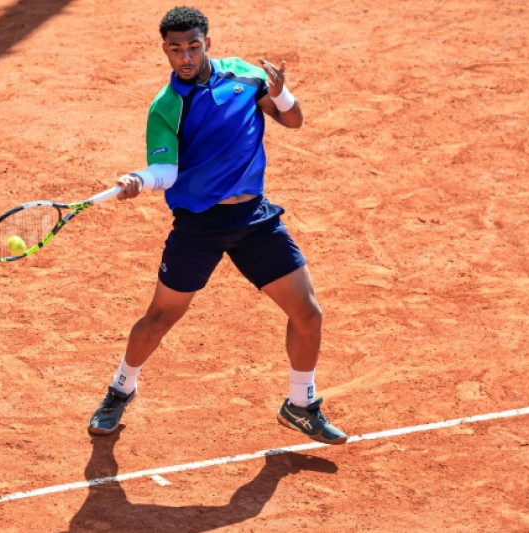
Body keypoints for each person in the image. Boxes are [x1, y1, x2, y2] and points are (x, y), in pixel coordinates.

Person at [88, 6, 347, 445]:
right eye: (175, 50)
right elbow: (165, 172)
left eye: (193, 46)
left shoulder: (245, 77)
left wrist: (282, 95)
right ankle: (121, 388)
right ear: (165, 51)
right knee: (158, 319)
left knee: (307, 313)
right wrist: (141, 179)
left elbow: (293, 120)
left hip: (254, 219)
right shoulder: (166, 106)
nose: (185, 57)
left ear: (207, 43)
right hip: (199, 225)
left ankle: (300, 403)